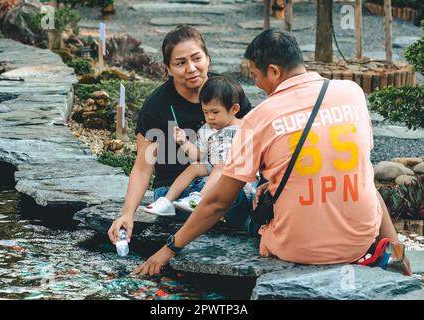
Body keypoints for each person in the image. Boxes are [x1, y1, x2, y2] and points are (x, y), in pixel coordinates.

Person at [132, 30, 409, 276]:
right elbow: (365, 177)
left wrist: (167, 250)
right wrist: (397, 250)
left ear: (274, 72)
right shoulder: (353, 93)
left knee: (241, 201)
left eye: (255, 75)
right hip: (361, 241)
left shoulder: (260, 117)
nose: (257, 85)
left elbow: (217, 203)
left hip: (298, 248)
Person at [107, 25, 253, 244]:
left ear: (208, 59)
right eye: (180, 63)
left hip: (223, 174)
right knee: (227, 194)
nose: (191, 68)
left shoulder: (225, 91)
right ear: (168, 68)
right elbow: (142, 167)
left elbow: (255, 137)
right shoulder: (157, 106)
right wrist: (127, 214)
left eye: (197, 58)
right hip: (175, 190)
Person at [143, 76, 257, 216]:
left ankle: (200, 198)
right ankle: (166, 201)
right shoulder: (207, 129)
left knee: (220, 166)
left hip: (239, 174)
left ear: (234, 109)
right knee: (195, 167)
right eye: (206, 112)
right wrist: (183, 142)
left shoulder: (246, 127)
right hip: (214, 166)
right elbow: (199, 155)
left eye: (215, 112)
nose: (210, 117)